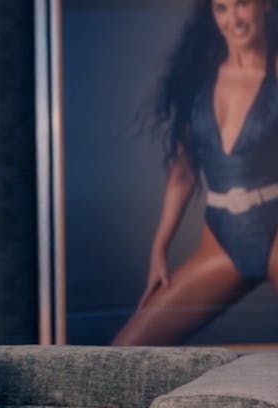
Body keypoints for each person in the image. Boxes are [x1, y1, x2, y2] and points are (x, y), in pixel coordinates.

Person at [113, 0, 278, 345]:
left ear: (265, 5)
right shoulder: (198, 79)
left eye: (242, 4)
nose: (232, 19)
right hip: (222, 240)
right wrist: (160, 250)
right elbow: (183, 172)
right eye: (221, 9)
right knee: (125, 352)